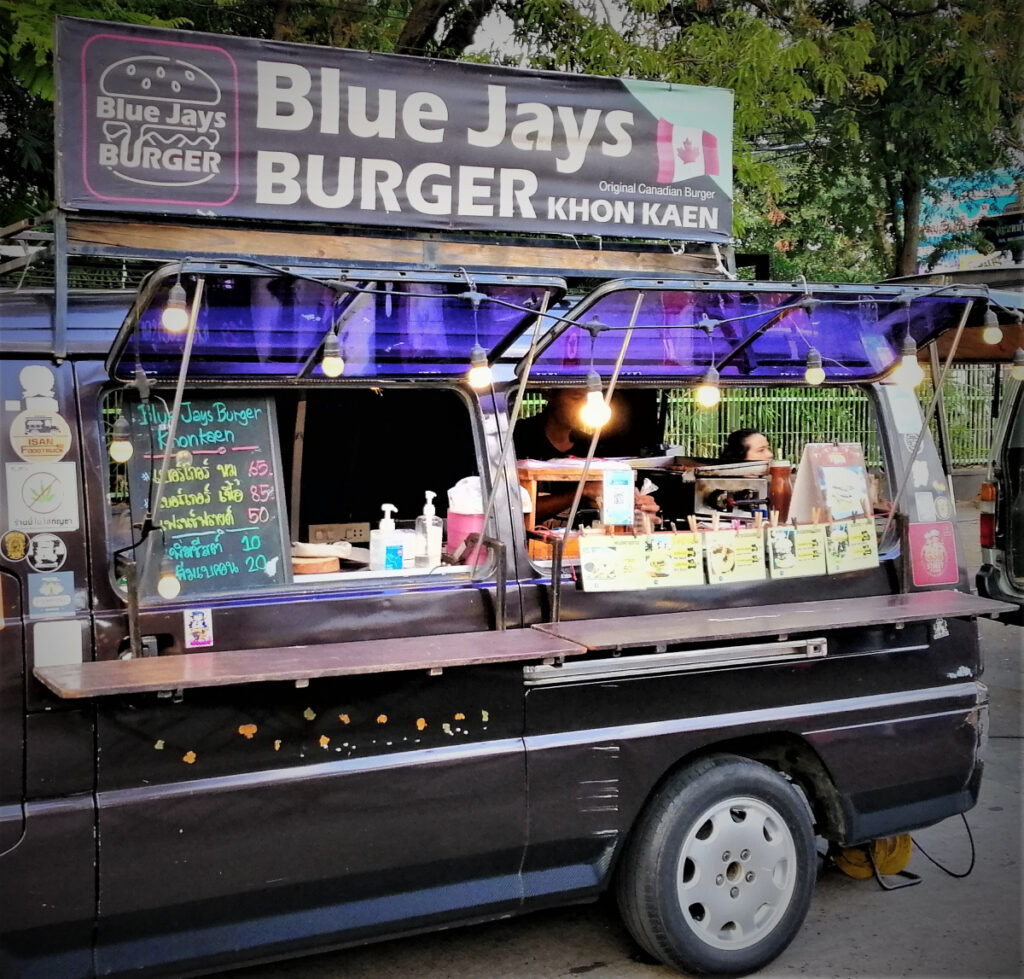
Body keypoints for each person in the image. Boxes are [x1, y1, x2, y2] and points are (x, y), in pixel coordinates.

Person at [514, 388, 659, 524]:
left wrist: (637, 508)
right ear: (549, 393)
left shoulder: (591, 446)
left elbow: (610, 503)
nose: (584, 405)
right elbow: (512, 511)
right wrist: (583, 491)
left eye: (590, 399)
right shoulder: (515, 437)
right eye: (576, 397)